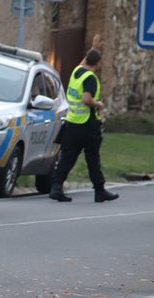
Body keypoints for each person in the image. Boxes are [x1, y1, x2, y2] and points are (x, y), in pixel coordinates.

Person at [49, 48, 119, 203]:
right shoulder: (90, 78)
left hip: (72, 122)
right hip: (87, 125)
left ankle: (56, 187)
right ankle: (99, 191)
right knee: (93, 158)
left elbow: (85, 61)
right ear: (99, 63)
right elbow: (87, 99)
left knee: (67, 157)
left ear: (86, 60)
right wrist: (99, 104)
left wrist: (94, 47)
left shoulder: (77, 71)